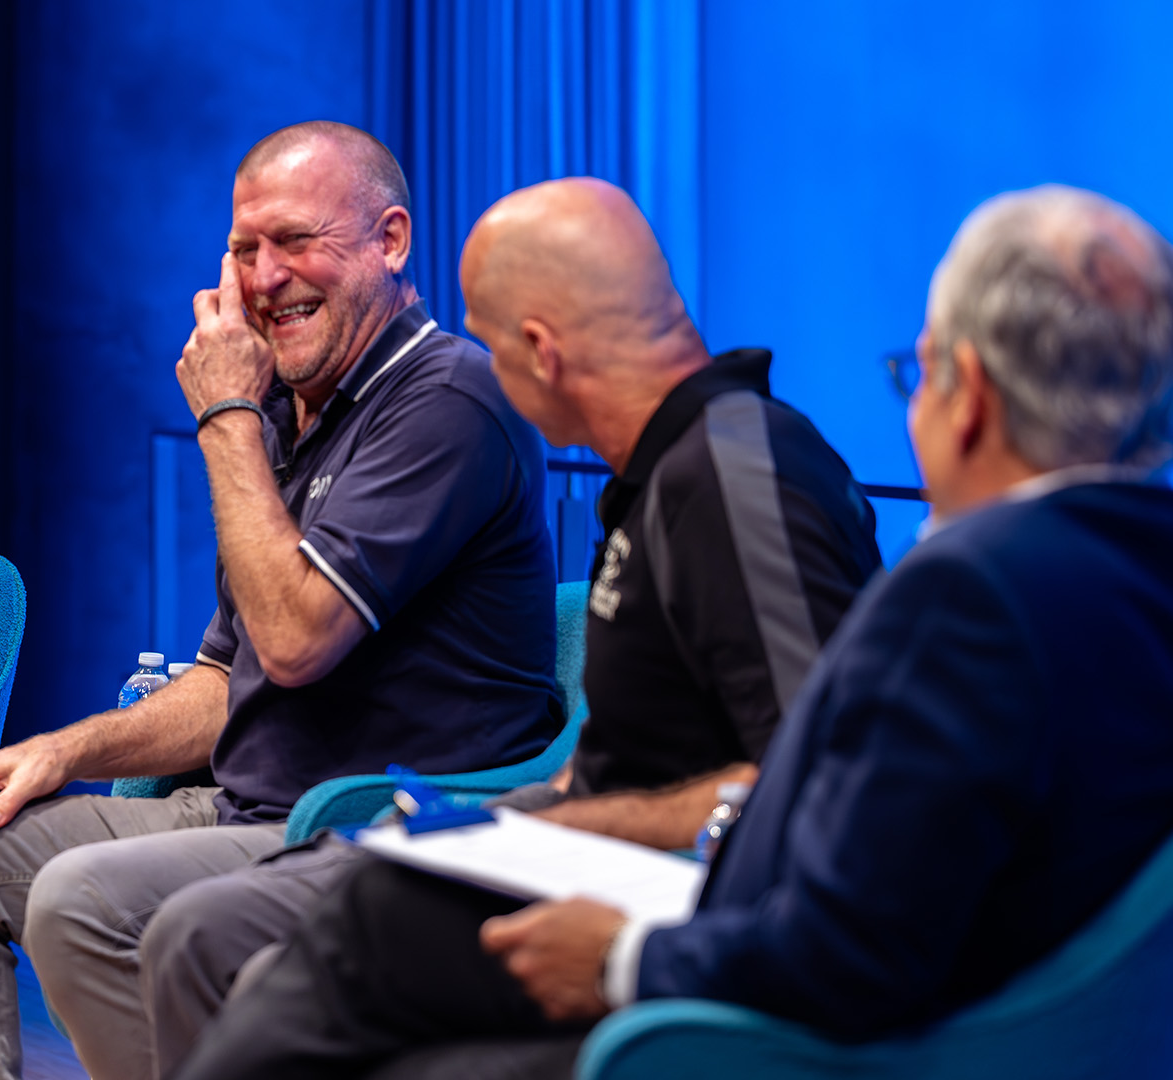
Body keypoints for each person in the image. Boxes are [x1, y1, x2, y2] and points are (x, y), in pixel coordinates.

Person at [172, 184, 1173, 1079]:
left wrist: (621, 955)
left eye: (914, 383)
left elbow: (852, 920)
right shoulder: (1117, 575)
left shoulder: (964, 590)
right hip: (936, 995)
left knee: (367, 927)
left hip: (815, 1019)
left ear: (971, 399)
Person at [142, 177, 885, 1076]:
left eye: (493, 345)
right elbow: (650, 745)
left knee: (324, 930)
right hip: (579, 850)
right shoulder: (665, 480)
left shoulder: (734, 473)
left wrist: (576, 830)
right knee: (277, 924)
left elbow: (816, 782)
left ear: (541, 352)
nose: (489, 368)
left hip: (666, 906)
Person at [0, 121, 562, 1080]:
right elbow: (224, 679)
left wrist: (227, 417)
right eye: (245, 249)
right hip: (244, 807)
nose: (266, 275)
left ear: (391, 241)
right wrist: (56, 752)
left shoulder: (448, 398)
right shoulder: (288, 413)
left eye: (296, 241)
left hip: (371, 824)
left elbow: (292, 643)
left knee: (81, 902)